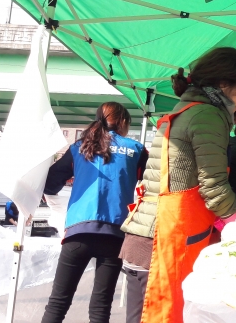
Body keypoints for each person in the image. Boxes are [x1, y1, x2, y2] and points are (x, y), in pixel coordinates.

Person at [119, 47, 236, 323]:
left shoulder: (188, 107)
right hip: (158, 242)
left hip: (152, 237)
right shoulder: (208, 115)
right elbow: (215, 188)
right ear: (223, 84)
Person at [40, 102, 147, 323]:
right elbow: (153, 184)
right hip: (115, 235)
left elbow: (50, 183)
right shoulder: (135, 150)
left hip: (78, 231)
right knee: (101, 307)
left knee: (58, 302)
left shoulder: (78, 147)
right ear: (123, 122)